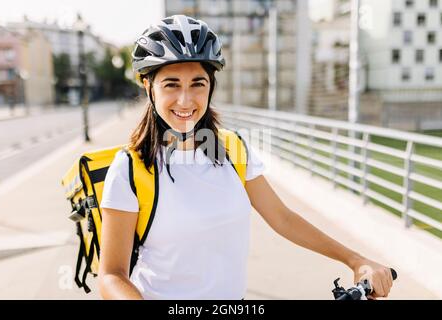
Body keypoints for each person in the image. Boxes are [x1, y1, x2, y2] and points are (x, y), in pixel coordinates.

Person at [97, 15, 394, 300]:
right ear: (149, 87)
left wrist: (355, 260)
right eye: (171, 84)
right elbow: (112, 275)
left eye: (197, 84)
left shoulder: (232, 148)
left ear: (211, 86)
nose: (185, 100)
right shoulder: (130, 169)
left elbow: (283, 219)